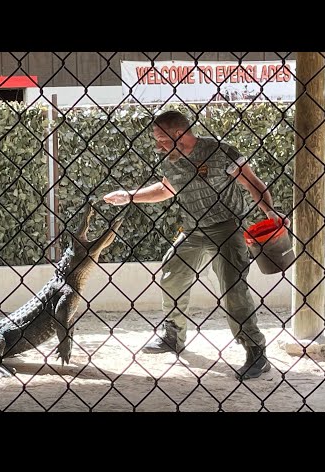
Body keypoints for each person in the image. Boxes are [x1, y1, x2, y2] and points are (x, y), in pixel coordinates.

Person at [103, 110, 289, 380]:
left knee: (233, 289)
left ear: (180, 133)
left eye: (162, 139)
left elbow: (252, 183)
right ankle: (173, 336)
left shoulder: (219, 152)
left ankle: (256, 352)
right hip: (193, 229)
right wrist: (128, 196)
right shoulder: (170, 158)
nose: (158, 145)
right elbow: (167, 188)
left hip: (227, 227)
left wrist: (270, 211)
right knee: (171, 275)